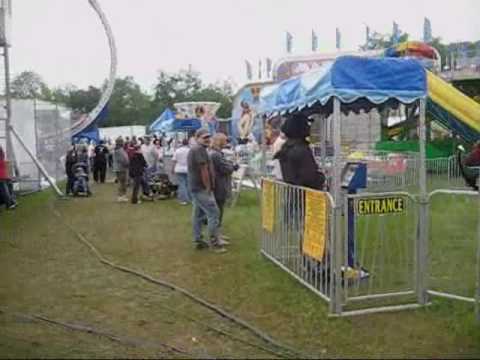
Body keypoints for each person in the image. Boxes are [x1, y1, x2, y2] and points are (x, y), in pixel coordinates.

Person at [187, 129, 226, 253]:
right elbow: (204, 170)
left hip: (196, 187)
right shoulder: (198, 149)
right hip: (201, 188)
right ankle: (215, 243)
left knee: (198, 215)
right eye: (204, 137)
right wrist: (208, 187)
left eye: (209, 137)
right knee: (214, 213)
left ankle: (198, 240)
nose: (208, 139)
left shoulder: (199, 149)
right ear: (197, 138)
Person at [274, 113, 325, 190]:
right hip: (305, 197)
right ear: (300, 127)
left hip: (291, 196)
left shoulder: (286, 148)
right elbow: (309, 177)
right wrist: (321, 177)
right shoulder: (301, 150)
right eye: (306, 124)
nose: (309, 126)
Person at [209, 133, 238, 240]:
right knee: (218, 212)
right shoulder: (216, 154)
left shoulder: (215, 153)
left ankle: (218, 234)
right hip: (219, 185)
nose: (227, 142)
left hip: (218, 184)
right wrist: (233, 167)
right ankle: (216, 236)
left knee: (218, 211)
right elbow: (225, 168)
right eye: (225, 140)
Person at [172, 138, 191, 205]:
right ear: (188, 143)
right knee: (188, 184)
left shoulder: (177, 151)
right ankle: (189, 198)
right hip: (188, 169)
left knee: (182, 184)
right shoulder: (190, 151)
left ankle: (184, 199)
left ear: (182, 143)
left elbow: (174, 161)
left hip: (179, 168)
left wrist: (172, 169)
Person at [113, 137, 129, 202]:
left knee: (122, 182)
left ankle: (122, 196)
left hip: (119, 168)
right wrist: (127, 163)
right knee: (122, 183)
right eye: (122, 142)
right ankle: (121, 196)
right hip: (121, 168)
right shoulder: (119, 150)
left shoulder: (117, 150)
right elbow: (123, 159)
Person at [0, 145, 16, 210]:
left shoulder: (2, 158)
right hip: (3, 177)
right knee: (6, 191)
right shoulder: (2, 158)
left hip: (3, 177)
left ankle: (10, 203)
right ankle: (10, 203)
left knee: (6, 190)